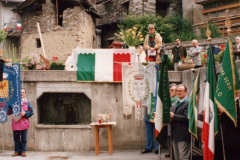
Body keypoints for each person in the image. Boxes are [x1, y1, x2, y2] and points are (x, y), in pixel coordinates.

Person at [9, 88, 34, 157]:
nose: (21, 93)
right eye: (20, 92)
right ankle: (17, 151)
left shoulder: (27, 103)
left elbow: (31, 112)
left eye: (23, 92)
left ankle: (23, 151)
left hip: (24, 123)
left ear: (25, 94)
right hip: (15, 123)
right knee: (16, 138)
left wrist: (25, 113)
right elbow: (9, 111)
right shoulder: (13, 102)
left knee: (23, 138)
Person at [215, 92, 240, 160]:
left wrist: (223, 114)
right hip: (220, 138)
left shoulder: (238, 103)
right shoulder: (225, 102)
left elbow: (237, 120)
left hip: (234, 140)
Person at [170, 84, 191, 160]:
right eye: (178, 91)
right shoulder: (175, 103)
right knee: (176, 157)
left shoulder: (188, 103)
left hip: (183, 135)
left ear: (186, 92)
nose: (179, 92)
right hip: (174, 133)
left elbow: (187, 118)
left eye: (181, 91)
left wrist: (173, 116)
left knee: (183, 157)